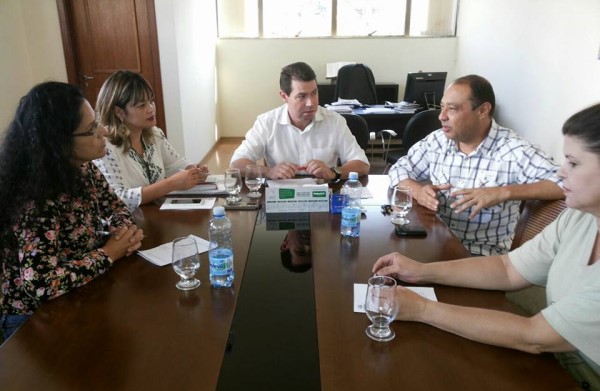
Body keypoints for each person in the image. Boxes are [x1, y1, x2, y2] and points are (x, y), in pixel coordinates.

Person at [373, 103, 600, 391]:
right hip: (559, 367)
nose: (561, 172)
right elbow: (508, 269)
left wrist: (421, 309)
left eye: (572, 163)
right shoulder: (581, 218)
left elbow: (533, 336)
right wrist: (421, 270)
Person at [0, 82, 144, 342]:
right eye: (91, 130)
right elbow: (40, 285)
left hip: (76, 294)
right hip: (34, 322)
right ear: (59, 143)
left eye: (97, 122)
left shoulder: (82, 167)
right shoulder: (38, 199)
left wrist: (124, 232)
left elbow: (116, 205)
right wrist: (109, 253)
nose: (103, 131)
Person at [388, 75, 563, 255]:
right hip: (435, 244)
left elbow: (564, 182)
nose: (442, 116)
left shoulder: (513, 150)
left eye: (453, 109)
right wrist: (417, 190)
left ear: (483, 110)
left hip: (480, 255)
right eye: (442, 107)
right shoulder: (438, 140)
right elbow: (399, 168)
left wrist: (503, 192)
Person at [229, 62, 370, 181]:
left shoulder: (334, 121)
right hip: (281, 196)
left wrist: (334, 172)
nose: (311, 103)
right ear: (284, 96)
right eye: (301, 96)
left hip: (322, 195)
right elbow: (236, 164)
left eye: (314, 93)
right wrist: (268, 171)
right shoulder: (267, 123)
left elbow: (362, 164)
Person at [94, 70, 208, 210]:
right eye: (141, 105)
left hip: (158, 214)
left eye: (151, 101)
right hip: (129, 224)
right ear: (119, 112)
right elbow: (119, 197)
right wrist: (171, 183)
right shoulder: (105, 148)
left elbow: (174, 164)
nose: (151, 109)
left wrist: (193, 171)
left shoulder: (154, 134)